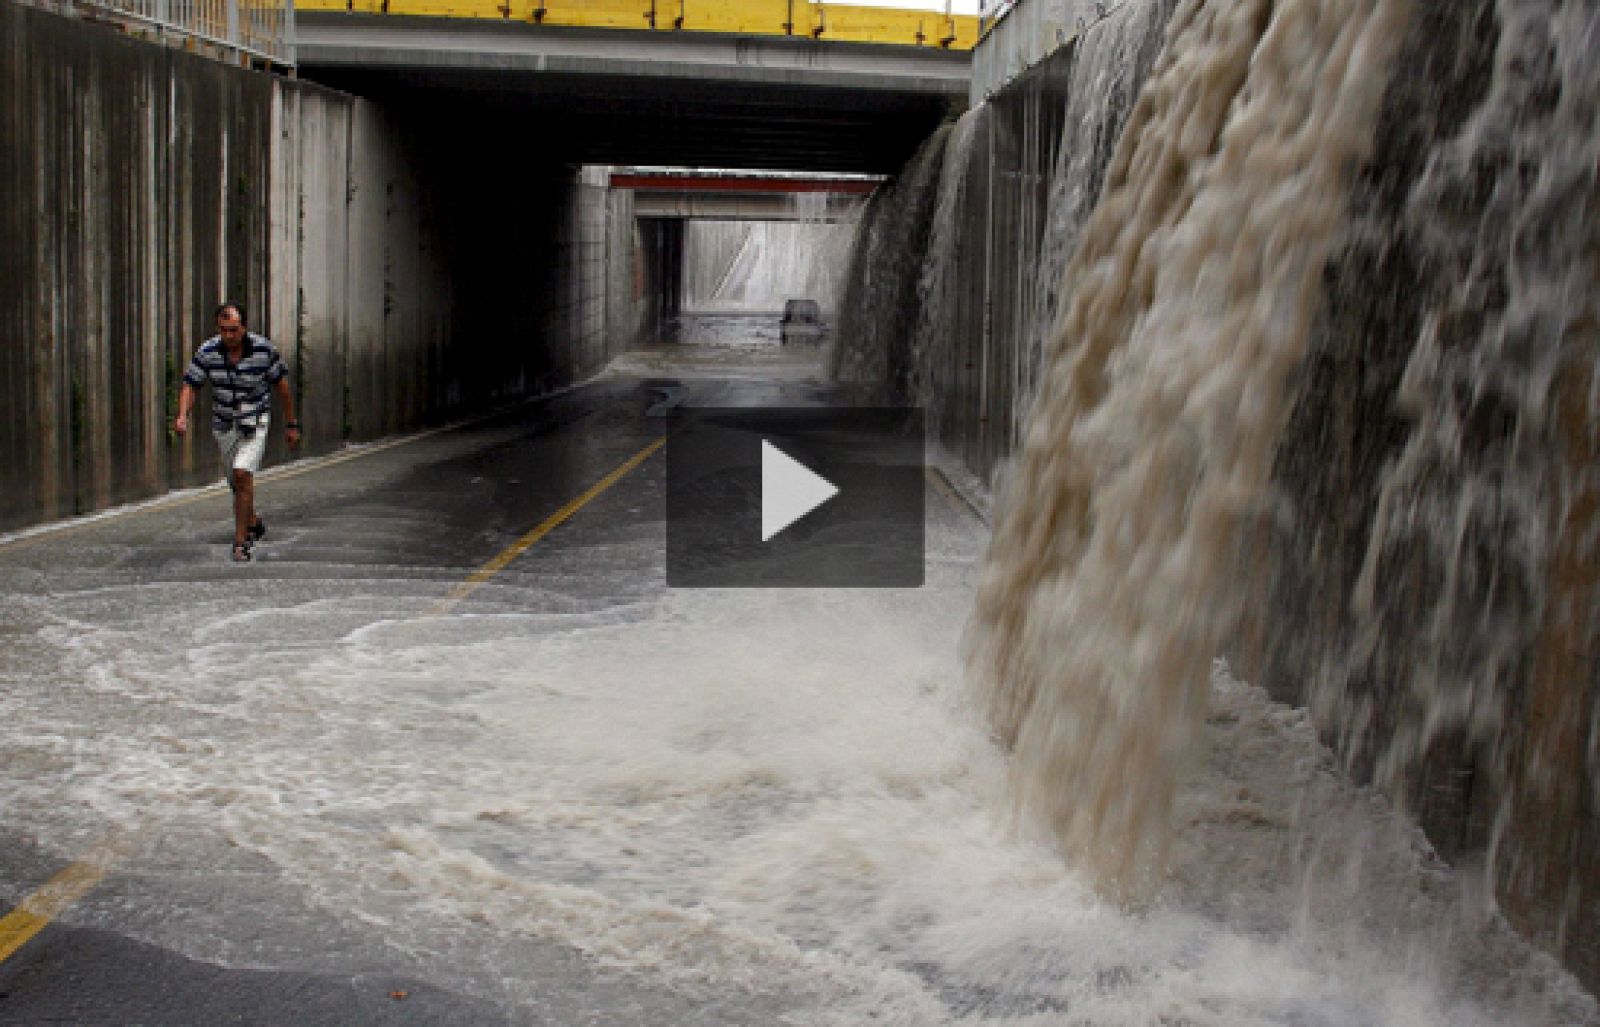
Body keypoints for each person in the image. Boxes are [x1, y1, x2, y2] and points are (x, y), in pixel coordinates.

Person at [173, 302, 301, 562]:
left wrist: (291, 423)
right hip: (224, 424)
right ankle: (252, 520)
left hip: (255, 421)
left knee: (243, 474)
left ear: (244, 327)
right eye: (223, 330)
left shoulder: (264, 350)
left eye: (233, 330)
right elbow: (191, 384)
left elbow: (282, 387)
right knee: (236, 481)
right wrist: (182, 415)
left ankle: (241, 542)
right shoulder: (208, 351)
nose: (228, 336)